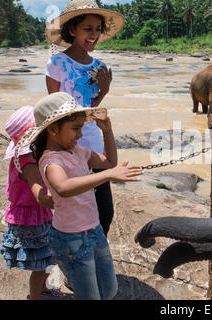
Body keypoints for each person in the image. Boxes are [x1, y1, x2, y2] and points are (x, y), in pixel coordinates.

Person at [14, 92, 143, 300]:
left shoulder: (78, 151)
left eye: (81, 128)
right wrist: (109, 175)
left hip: (94, 231)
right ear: (53, 129)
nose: (80, 135)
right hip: (70, 239)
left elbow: (109, 162)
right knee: (89, 296)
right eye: (75, 128)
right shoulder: (51, 160)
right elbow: (63, 187)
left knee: (109, 290)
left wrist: (108, 132)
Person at [45, 0, 125, 236]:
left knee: (104, 211)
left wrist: (104, 90)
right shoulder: (57, 63)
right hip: (68, 144)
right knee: (74, 208)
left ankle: (95, 252)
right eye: (88, 29)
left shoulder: (99, 65)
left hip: (93, 141)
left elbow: (89, 107)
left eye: (98, 29)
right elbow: (55, 109)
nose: (94, 35)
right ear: (72, 30)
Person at [0, 106, 63, 300]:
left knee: (48, 257)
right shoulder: (27, 163)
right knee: (41, 263)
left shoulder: (31, 156)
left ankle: (42, 289)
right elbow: (41, 197)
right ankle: (35, 297)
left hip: (37, 214)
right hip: (30, 218)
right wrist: (66, 202)